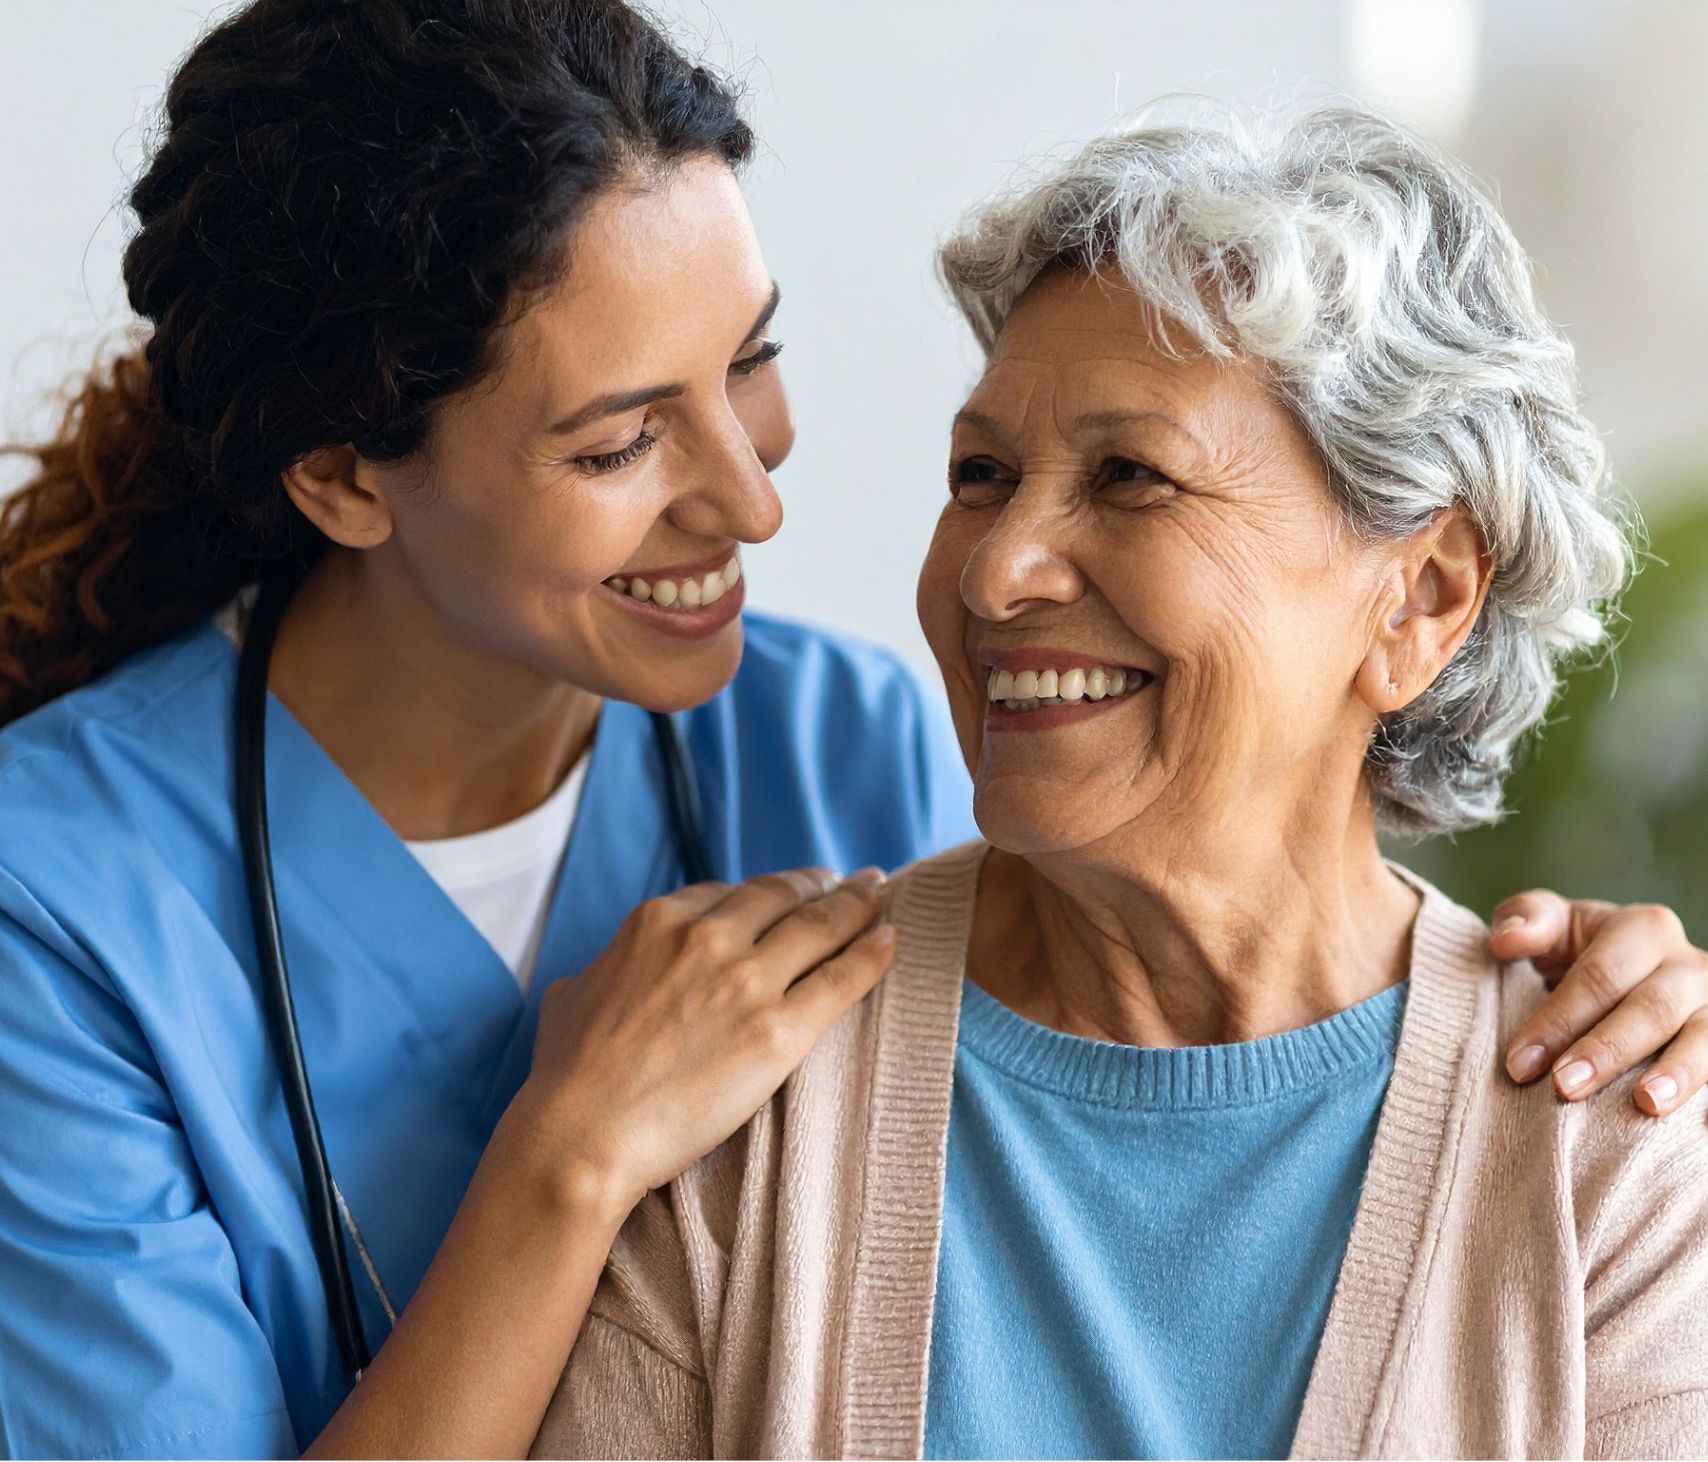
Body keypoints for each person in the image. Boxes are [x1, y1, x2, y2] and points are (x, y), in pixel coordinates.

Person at [0, 6, 1699, 1457]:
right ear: (344, 478)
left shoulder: (836, 737)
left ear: (1425, 596)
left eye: (750, 360)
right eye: (616, 443)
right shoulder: (64, 900)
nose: (752, 498)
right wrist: (570, 1156)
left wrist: (1593, 1000)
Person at [529, 106, 1708, 1460]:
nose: (995, 569)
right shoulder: (752, 1081)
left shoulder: (1615, 1154)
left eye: (1131, 477)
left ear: (1421, 601)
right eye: (981, 475)